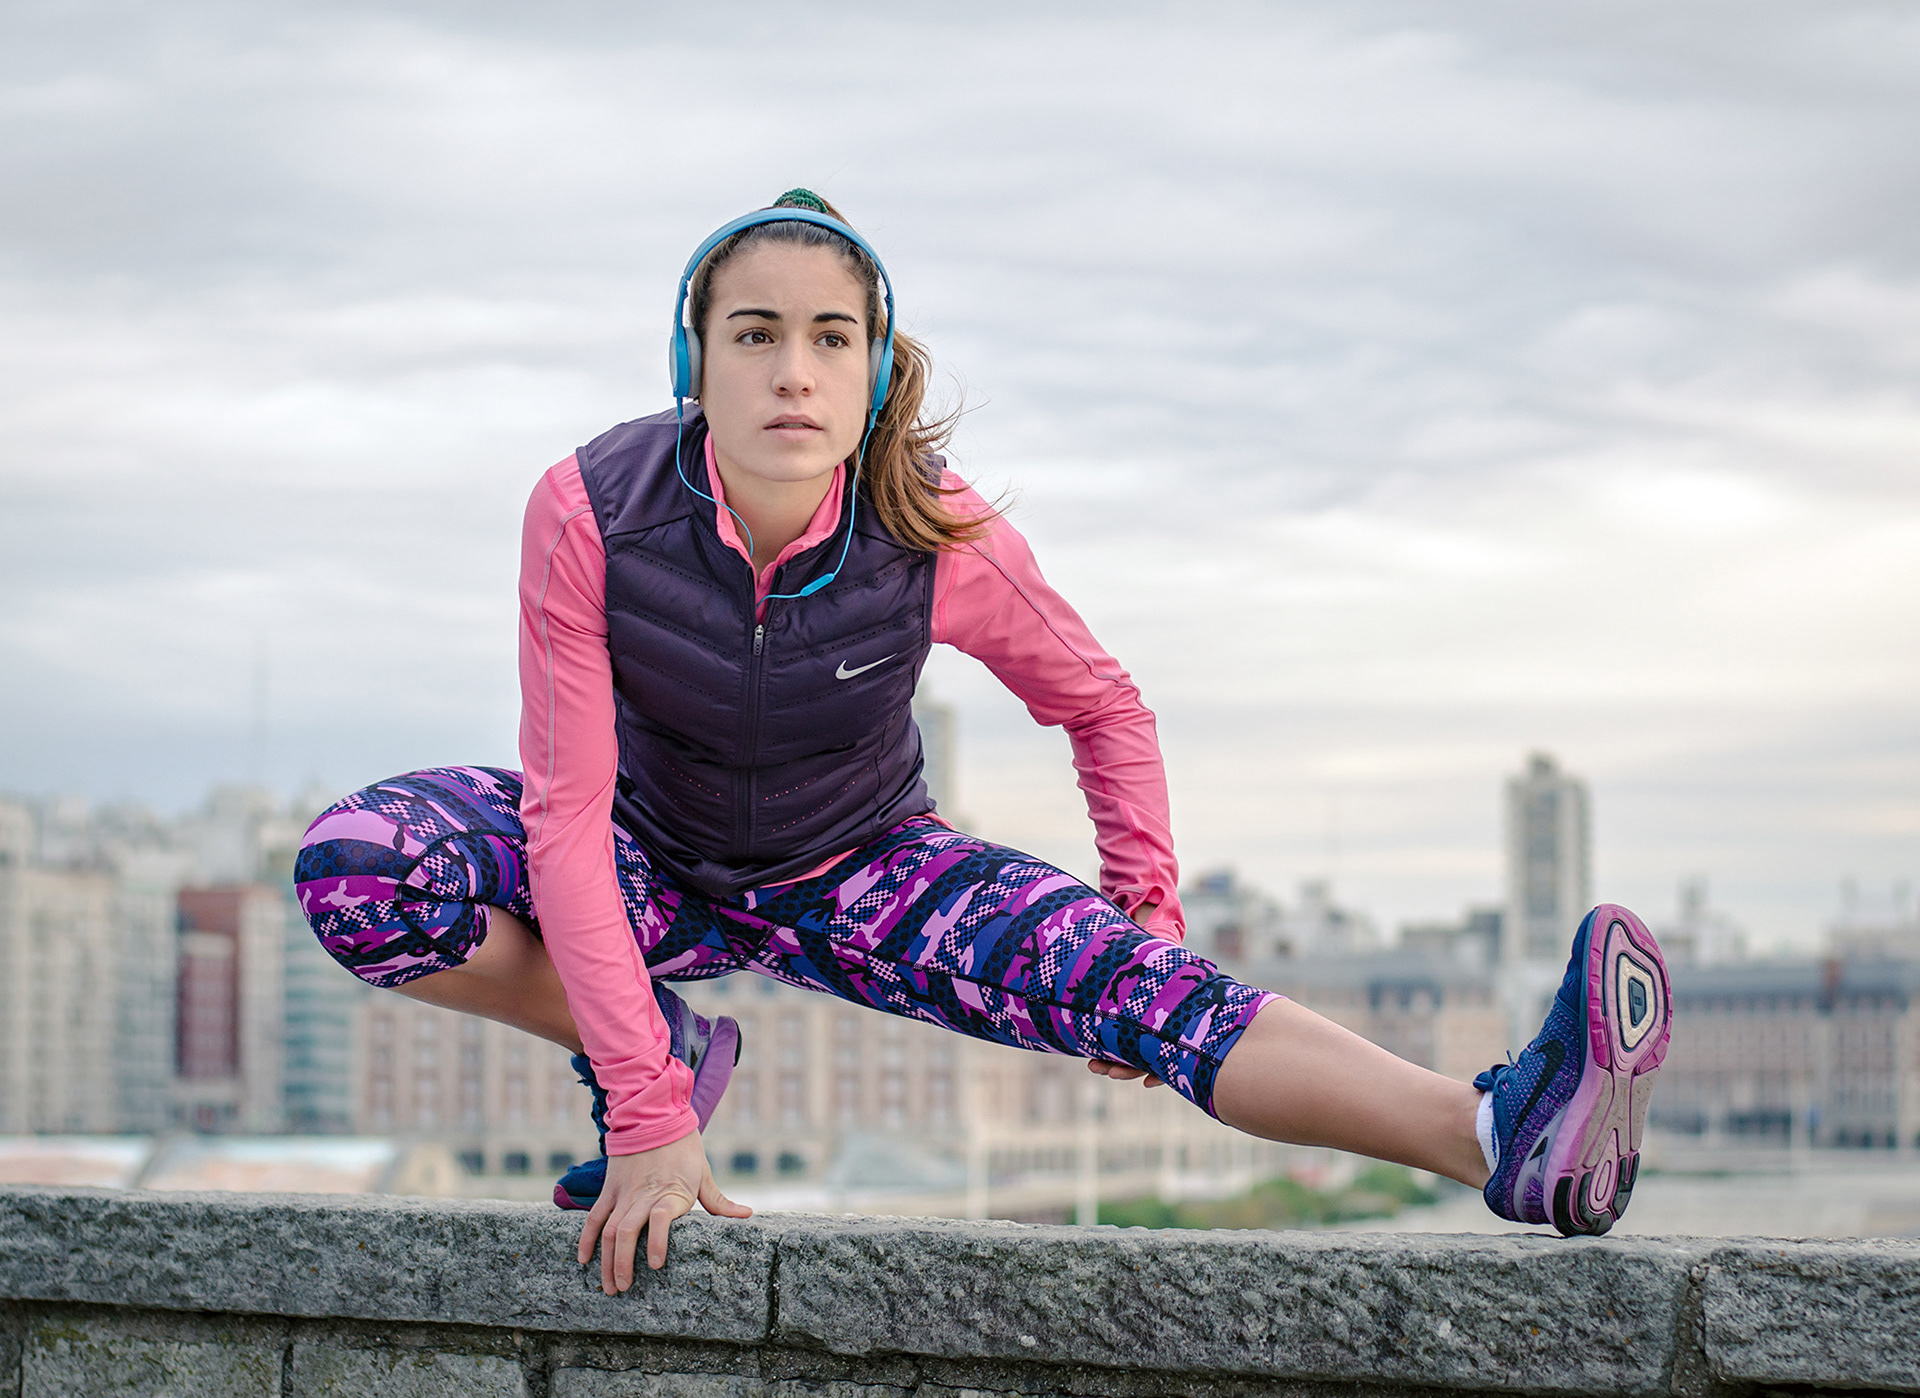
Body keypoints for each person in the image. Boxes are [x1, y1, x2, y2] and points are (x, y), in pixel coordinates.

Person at [296, 190, 1672, 1296]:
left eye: (833, 337)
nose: (794, 371)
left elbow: (1099, 702)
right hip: (639, 849)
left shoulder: (930, 528)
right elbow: (562, 814)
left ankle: (1505, 1134)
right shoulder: (592, 510)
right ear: (691, 360)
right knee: (362, 863)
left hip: (868, 868)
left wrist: (1146, 900)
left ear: (875, 363)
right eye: (756, 334)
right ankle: (664, 1032)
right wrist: (648, 1102)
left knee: (1155, 994)